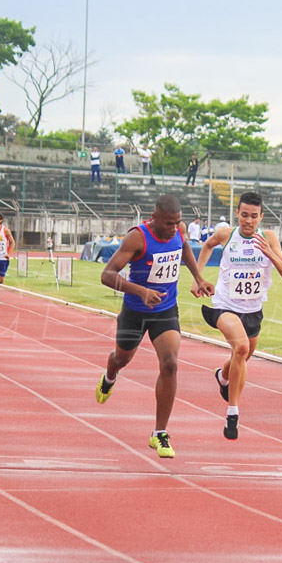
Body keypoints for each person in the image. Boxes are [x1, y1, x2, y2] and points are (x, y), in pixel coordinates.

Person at [94, 194, 214, 459]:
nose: (174, 228)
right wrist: (140, 291)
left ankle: (159, 433)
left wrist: (199, 277)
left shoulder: (179, 231)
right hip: (135, 312)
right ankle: (110, 376)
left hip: (165, 310)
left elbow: (183, 249)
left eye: (177, 222)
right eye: (169, 223)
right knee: (120, 358)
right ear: (154, 217)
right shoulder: (137, 237)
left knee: (170, 363)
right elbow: (107, 275)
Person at [193, 192, 282, 440]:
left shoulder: (268, 238)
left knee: (243, 355)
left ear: (261, 217)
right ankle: (232, 413)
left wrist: (270, 253)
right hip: (224, 305)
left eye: (253, 216)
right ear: (237, 214)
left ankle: (222, 376)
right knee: (240, 348)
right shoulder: (227, 234)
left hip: (253, 311)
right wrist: (198, 277)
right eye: (244, 215)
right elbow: (207, 245)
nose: (248, 221)